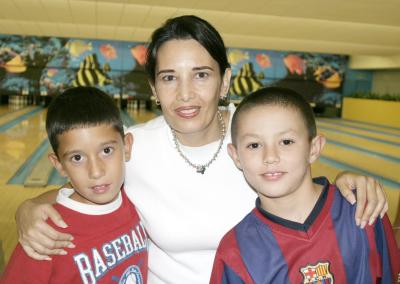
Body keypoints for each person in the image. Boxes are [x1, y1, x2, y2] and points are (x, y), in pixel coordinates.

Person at [15, 16, 388, 284]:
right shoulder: (133, 146)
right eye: (169, 78)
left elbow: (307, 187)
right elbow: (89, 179)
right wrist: (30, 207)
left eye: (201, 74)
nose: (185, 94)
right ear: (153, 88)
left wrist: (345, 180)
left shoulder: (259, 133)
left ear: (225, 81)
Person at [210, 87, 400, 283]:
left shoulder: (364, 212)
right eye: (254, 145)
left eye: (286, 141)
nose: (270, 157)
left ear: (314, 148)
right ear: (236, 156)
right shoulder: (235, 252)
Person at [1, 87, 148, 283]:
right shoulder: (45, 237)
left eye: (106, 150)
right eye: (77, 157)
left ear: (126, 147)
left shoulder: (136, 196)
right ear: (59, 165)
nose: (96, 172)